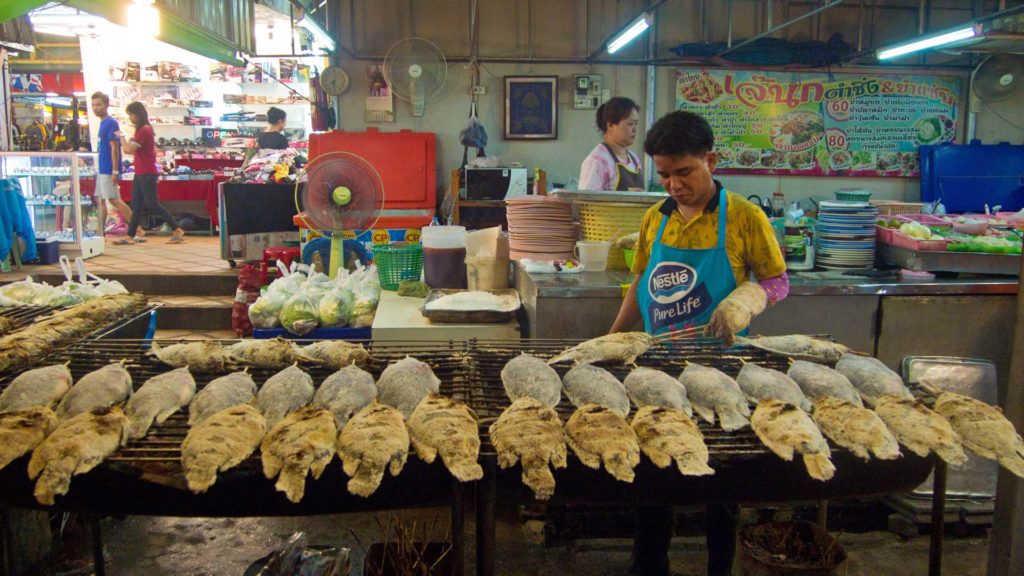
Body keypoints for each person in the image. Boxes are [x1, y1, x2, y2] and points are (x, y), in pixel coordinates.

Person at [609, 111, 789, 576]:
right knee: (655, 469)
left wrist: (747, 300)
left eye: (684, 172)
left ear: (711, 160)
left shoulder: (745, 218)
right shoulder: (655, 218)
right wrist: (613, 338)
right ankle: (649, 566)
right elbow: (640, 281)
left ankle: (719, 567)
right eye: (665, 174)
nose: (673, 184)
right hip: (659, 365)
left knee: (721, 482)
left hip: (721, 367)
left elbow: (778, 282)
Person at [115, 101, 185, 245]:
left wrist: (121, 138)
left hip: (147, 172)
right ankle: (131, 235)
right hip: (141, 172)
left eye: (132, 115)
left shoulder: (144, 130)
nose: (131, 118)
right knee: (136, 204)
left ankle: (177, 229)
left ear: (139, 115)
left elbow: (128, 150)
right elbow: (130, 148)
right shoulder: (142, 131)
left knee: (153, 204)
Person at [91, 91, 133, 236]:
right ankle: (99, 231)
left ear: (106, 105)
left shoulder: (110, 123)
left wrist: (115, 171)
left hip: (108, 168)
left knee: (114, 200)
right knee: (100, 199)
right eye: (93, 105)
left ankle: (136, 229)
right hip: (102, 168)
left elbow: (115, 148)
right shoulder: (103, 123)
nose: (96, 108)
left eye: (98, 105)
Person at [578, 97, 644, 191]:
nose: (635, 129)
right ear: (611, 125)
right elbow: (587, 203)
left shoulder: (634, 159)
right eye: (630, 124)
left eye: (636, 123)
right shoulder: (597, 161)